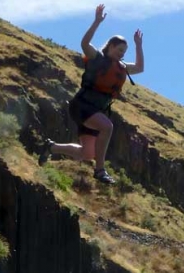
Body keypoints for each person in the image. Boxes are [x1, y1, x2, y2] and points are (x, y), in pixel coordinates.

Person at [38, 4, 144, 184]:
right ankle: (100, 170)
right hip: (81, 106)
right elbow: (84, 43)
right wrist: (96, 22)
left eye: (124, 52)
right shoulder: (97, 58)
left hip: (95, 112)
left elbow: (140, 68)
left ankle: (51, 147)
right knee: (107, 127)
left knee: (87, 153)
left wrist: (138, 45)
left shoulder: (121, 68)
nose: (121, 54)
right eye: (119, 50)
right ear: (110, 47)